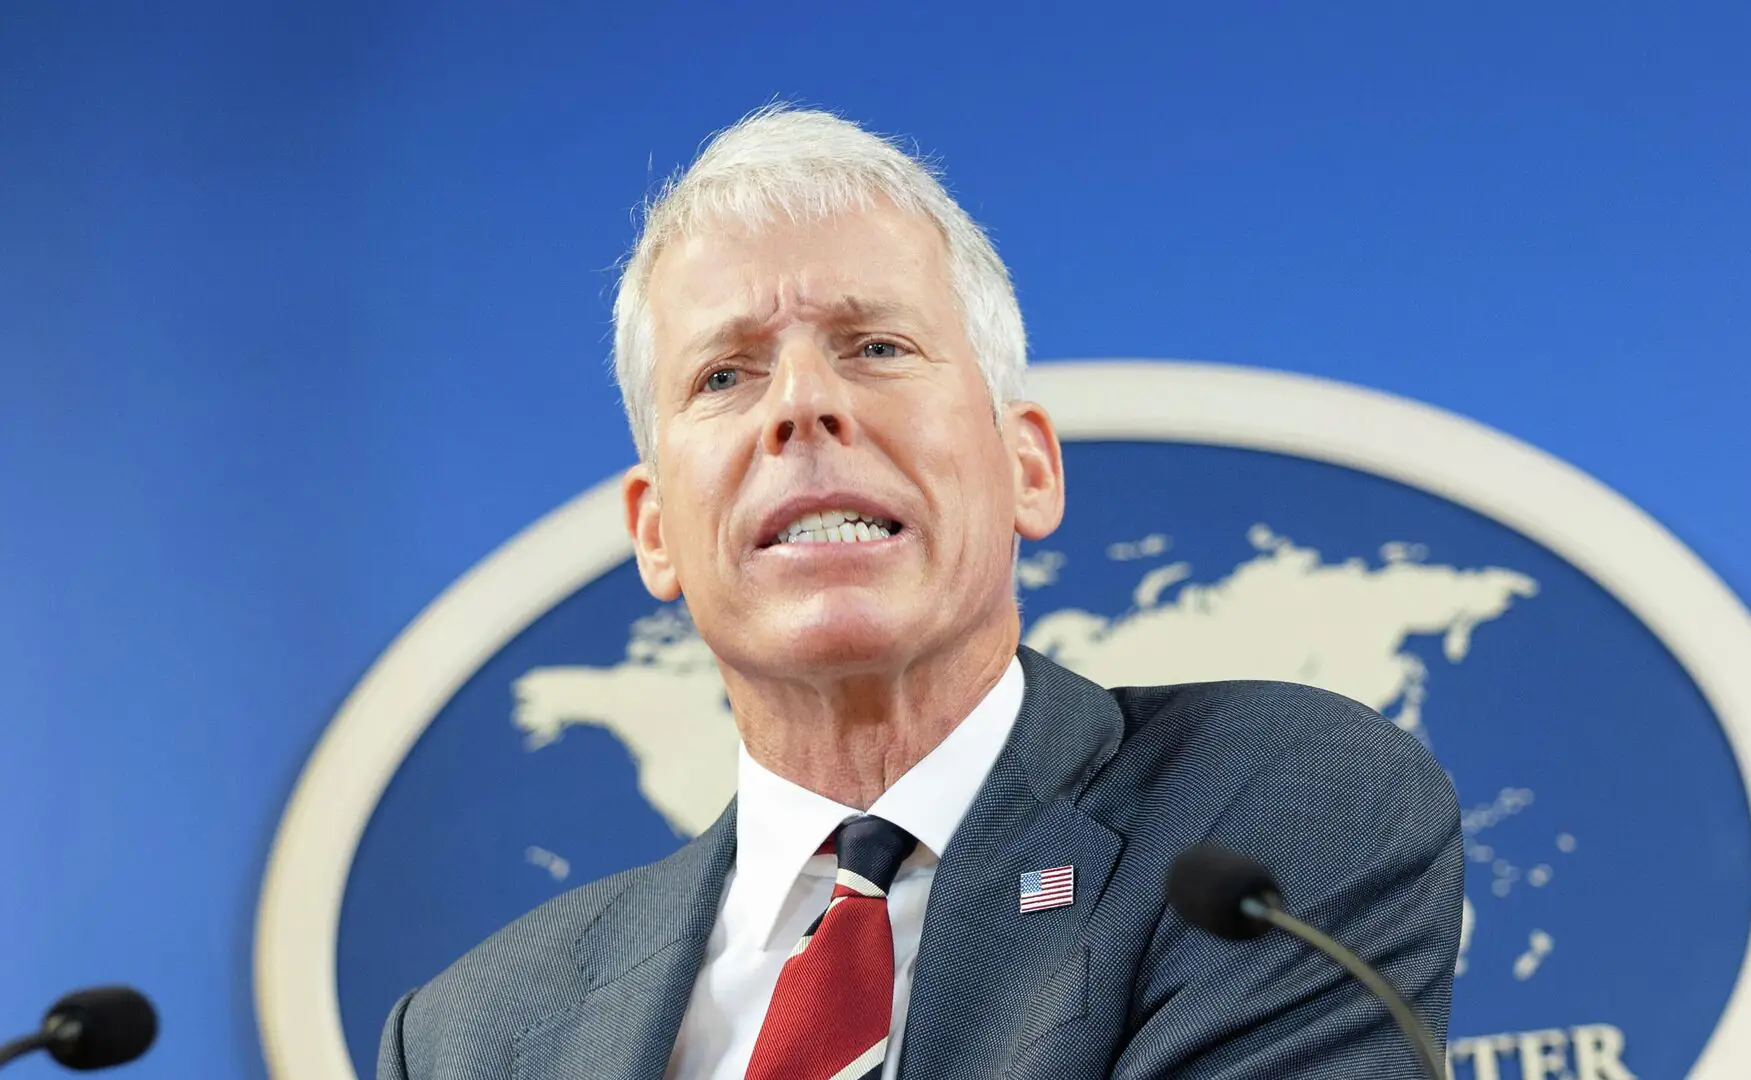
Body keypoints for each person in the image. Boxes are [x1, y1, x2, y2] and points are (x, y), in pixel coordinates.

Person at [377, 104, 1462, 1080]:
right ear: (656, 533)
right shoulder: (470, 1041)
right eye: (725, 375)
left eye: (877, 346)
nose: (800, 406)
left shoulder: (1276, 813)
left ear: (1026, 468)